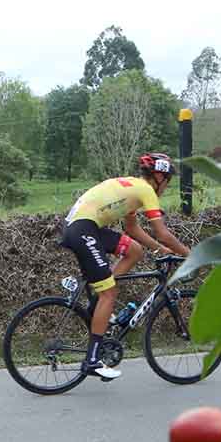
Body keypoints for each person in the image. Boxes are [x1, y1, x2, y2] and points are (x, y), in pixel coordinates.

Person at [60, 153, 192, 380]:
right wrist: (192, 255)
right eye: (168, 180)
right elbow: (162, 233)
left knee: (134, 250)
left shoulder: (133, 189)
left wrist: (160, 250)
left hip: (83, 227)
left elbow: (132, 230)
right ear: (158, 176)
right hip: (83, 230)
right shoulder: (146, 191)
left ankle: (98, 303)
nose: (167, 187)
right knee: (109, 293)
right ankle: (92, 360)